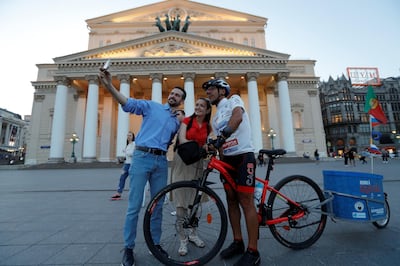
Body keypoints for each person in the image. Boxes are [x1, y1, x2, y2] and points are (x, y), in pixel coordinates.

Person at [99, 67, 186, 266]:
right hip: (142, 157)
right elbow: (127, 103)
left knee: (157, 207)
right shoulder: (151, 106)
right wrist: (109, 85)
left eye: (178, 95)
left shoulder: (177, 122)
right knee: (134, 205)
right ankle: (128, 248)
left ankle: (155, 244)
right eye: (172, 93)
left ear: (181, 101)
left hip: (161, 161)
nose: (173, 96)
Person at [203, 79, 260, 266]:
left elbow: (237, 118)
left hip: (243, 156)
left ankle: (253, 252)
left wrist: (223, 136)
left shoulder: (234, 100)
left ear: (222, 91)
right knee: (231, 200)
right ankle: (238, 242)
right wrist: (215, 148)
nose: (208, 93)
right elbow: (219, 140)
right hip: (227, 160)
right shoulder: (217, 115)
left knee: (246, 201)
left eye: (211, 89)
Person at [172, 98, 211, 256]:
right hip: (183, 161)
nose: (198, 107)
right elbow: (182, 140)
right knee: (181, 202)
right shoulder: (187, 121)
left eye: (202, 106)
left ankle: (193, 234)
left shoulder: (208, 125)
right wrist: (202, 147)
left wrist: (211, 145)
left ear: (208, 110)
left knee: (196, 201)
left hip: (198, 163)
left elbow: (213, 139)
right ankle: (183, 239)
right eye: (197, 105)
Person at [111, 131, 135, 200]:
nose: (128, 137)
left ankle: (132, 193)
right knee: (122, 178)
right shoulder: (128, 144)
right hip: (126, 164)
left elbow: (133, 153)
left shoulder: (134, 144)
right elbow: (127, 156)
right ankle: (119, 193)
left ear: (133, 137)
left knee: (132, 180)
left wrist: (126, 152)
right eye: (127, 135)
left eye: (130, 135)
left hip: (131, 164)